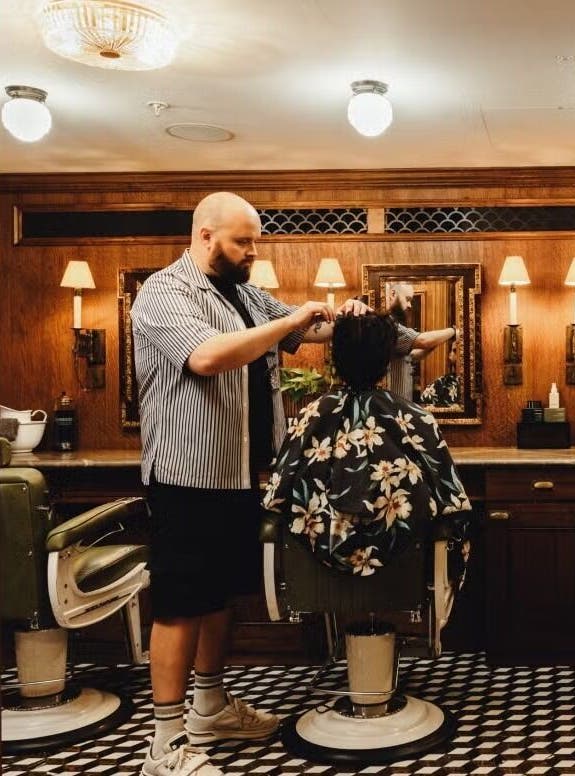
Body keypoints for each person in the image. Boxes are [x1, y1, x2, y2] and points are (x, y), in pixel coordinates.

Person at [131, 191, 363, 776]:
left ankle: (209, 707)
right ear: (205, 235)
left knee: (218, 597)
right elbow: (208, 358)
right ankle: (163, 747)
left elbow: (300, 332)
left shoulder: (243, 292)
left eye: (254, 240)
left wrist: (345, 321)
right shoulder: (164, 293)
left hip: (236, 474)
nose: (251, 252)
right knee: (181, 604)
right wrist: (291, 319)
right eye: (242, 241)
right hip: (185, 477)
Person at [263, 311, 471, 577]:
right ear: (386, 361)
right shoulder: (418, 420)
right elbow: (453, 504)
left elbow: (275, 498)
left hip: (320, 572)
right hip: (401, 571)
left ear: (335, 358)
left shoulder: (311, 416)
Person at [384, 282, 458, 401]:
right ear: (392, 293)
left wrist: (435, 342)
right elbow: (423, 341)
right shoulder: (387, 325)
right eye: (407, 299)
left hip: (401, 403)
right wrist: (454, 330)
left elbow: (411, 356)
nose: (410, 305)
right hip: (393, 406)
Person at [419, 336, 462, 407]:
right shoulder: (443, 382)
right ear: (450, 356)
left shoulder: (477, 383)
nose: (461, 353)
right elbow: (424, 404)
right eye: (455, 351)